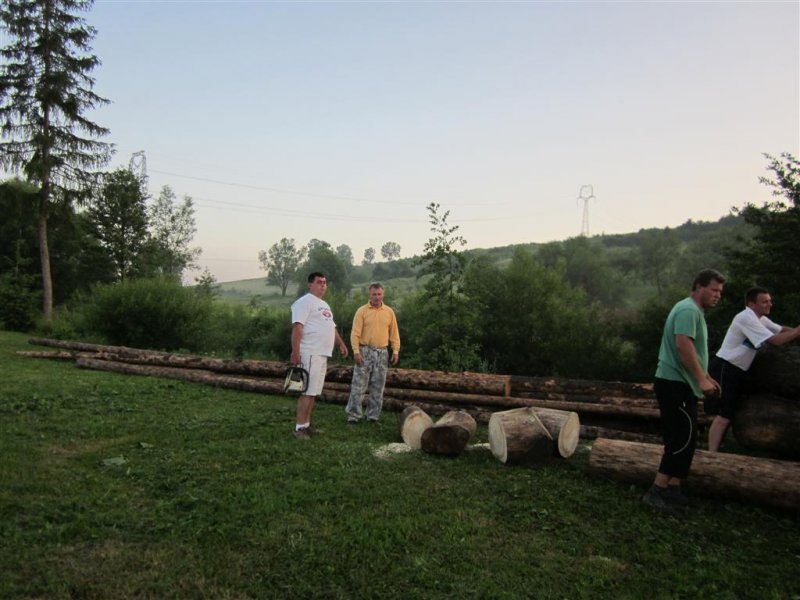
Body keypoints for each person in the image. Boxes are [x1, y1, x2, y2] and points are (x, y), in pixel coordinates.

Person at [643, 268, 726, 516]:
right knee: (680, 438)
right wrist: (701, 380)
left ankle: (673, 489)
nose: (717, 295)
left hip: (682, 383)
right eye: (714, 290)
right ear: (699, 287)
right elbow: (683, 346)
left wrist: (706, 376)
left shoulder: (693, 310)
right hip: (674, 383)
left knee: (687, 438)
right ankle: (657, 491)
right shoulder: (688, 310)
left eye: (720, 291)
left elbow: (694, 351)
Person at [706, 287, 800, 452]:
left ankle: (721, 449)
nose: (769, 304)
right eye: (765, 302)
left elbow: (781, 330)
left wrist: (795, 331)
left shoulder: (760, 319)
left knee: (734, 411)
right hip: (726, 367)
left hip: (739, 369)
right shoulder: (745, 317)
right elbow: (776, 340)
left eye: (769, 301)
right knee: (724, 415)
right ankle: (712, 455)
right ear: (751, 304)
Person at [290, 272, 348, 440]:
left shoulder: (324, 305)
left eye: (324, 282)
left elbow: (331, 327)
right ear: (310, 285)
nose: (323, 285)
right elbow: (297, 328)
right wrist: (295, 352)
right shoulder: (303, 302)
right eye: (319, 282)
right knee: (307, 391)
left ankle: (306, 425)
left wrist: (341, 343)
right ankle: (299, 427)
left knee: (314, 391)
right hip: (310, 352)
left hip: (322, 353)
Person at [345, 283, 401, 424]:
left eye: (379, 294)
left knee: (378, 386)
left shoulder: (389, 312)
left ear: (383, 294)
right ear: (369, 295)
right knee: (359, 385)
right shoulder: (362, 311)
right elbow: (355, 333)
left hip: (382, 352)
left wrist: (395, 350)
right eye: (374, 294)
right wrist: (356, 351)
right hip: (365, 351)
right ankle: (353, 416)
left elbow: (394, 333)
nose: (377, 297)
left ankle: (373, 416)